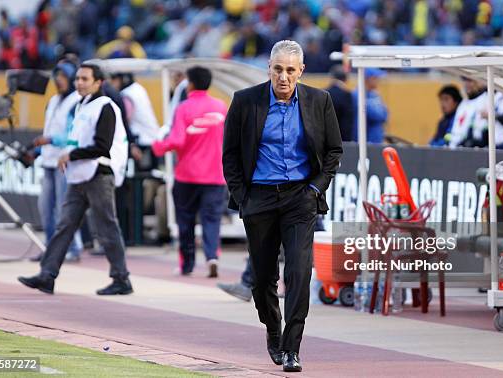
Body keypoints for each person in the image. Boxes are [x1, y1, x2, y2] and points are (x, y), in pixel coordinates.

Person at [222, 40, 342, 372]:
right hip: (258, 198)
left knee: (299, 272)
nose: (284, 77)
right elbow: (230, 155)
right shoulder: (245, 102)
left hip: (300, 198)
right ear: (269, 69)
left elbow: (333, 152)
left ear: (301, 71)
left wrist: (316, 190)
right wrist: (243, 197)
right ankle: (273, 331)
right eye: (278, 69)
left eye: (291, 70)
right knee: (262, 281)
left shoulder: (320, 101)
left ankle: (292, 348)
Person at [18, 64, 132, 296]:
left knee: (107, 228)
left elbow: (102, 146)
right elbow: (75, 140)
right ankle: (47, 275)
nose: (78, 83)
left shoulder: (105, 106)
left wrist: (71, 155)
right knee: (64, 225)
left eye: (84, 79)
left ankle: (121, 279)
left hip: (99, 173)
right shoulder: (82, 105)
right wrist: (69, 155)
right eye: (77, 79)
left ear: (98, 82)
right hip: (79, 174)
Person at [152, 66, 228, 278]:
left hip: (187, 175)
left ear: (190, 84)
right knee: (211, 220)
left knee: (185, 220)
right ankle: (212, 256)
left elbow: (177, 140)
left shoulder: (183, 108)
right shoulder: (221, 107)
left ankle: (187, 265)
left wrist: (158, 146)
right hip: (215, 175)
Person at [33, 59, 84, 262]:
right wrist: (39, 150)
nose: (59, 81)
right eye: (57, 77)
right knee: (45, 208)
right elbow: (49, 128)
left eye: (63, 77)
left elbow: (72, 133)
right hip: (48, 160)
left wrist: (51, 140)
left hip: (64, 162)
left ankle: (73, 247)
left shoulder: (75, 102)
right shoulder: (53, 101)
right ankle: (51, 248)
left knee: (64, 207)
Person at [352, 68, 388, 143]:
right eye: (375, 78)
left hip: (377, 139)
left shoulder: (375, 94)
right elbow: (374, 115)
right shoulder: (357, 95)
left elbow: (385, 114)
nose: (378, 81)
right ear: (367, 79)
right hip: (363, 139)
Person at [326, 65, 355, 142]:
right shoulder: (346, 95)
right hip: (341, 139)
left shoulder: (323, 93)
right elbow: (347, 121)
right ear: (345, 79)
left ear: (331, 77)